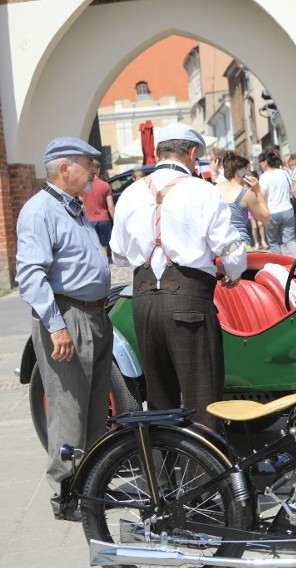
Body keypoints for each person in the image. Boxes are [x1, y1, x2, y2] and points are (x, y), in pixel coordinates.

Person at [110, 123, 246, 431]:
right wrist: (232, 272)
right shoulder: (202, 190)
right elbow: (232, 248)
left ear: (158, 152)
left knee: (159, 398)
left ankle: (163, 474)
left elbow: (118, 253)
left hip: (143, 300)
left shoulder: (130, 194)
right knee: (202, 397)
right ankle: (205, 476)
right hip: (189, 300)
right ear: (193, 153)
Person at [16, 137, 112, 520]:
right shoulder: (40, 211)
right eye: (88, 164)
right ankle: (65, 494)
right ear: (64, 168)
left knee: (93, 410)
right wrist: (56, 327)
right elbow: (31, 275)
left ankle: (89, 486)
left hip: (92, 315)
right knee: (69, 409)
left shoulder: (72, 208)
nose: (93, 171)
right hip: (67, 316)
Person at [215, 151, 270, 248]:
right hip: (239, 244)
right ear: (239, 172)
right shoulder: (246, 193)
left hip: (218, 244)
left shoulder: (214, 188)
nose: (249, 173)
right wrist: (258, 191)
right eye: (247, 170)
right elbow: (265, 218)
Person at [259, 149, 296, 256]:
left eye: (261, 161)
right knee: (290, 240)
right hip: (287, 210)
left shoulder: (264, 177)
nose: (260, 164)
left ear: (266, 162)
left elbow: (261, 196)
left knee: (273, 243)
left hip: (271, 212)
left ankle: (280, 266)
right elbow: (293, 191)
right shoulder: (284, 173)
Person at [80, 161, 115, 259]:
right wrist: (115, 220)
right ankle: (106, 267)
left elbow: (80, 202)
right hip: (103, 220)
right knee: (104, 247)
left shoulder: (83, 186)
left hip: (88, 220)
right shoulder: (105, 185)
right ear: (98, 170)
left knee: (93, 248)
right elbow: (111, 206)